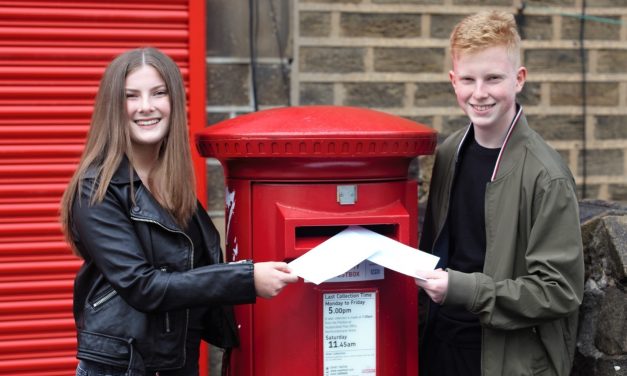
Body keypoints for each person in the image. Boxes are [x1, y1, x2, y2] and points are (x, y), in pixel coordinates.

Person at [59, 47, 298, 376]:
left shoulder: (171, 184)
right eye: (131, 96)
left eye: (158, 93)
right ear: (113, 107)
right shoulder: (96, 189)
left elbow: (196, 269)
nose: (146, 107)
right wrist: (246, 278)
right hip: (123, 365)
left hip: (176, 362)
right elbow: (143, 286)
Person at [415, 11, 584, 376]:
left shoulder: (547, 176)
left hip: (506, 360)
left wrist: (463, 289)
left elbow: (559, 291)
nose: (479, 93)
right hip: (440, 346)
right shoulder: (448, 152)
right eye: (468, 79)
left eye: (493, 78)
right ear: (452, 81)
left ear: (518, 79)